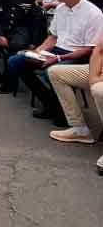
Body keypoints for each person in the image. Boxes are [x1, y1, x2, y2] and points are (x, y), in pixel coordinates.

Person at [0, 0, 102, 126]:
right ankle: (51, 103)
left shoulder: (93, 13)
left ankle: (61, 112)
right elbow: (53, 37)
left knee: (51, 72)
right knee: (16, 61)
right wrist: (38, 51)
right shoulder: (61, 8)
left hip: (77, 55)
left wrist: (59, 59)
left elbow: (90, 49)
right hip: (56, 50)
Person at [45, 28, 103, 174]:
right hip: (98, 70)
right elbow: (99, 50)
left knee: (98, 90)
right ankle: (80, 129)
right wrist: (93, 76)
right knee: (56, 72)